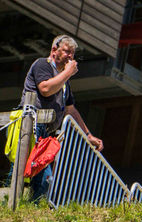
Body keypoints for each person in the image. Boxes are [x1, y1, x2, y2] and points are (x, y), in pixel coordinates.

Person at [19, 34, 104, 201]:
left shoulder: (64, 82)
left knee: (42, 176)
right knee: (30, 172)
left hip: (47, 134)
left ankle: (30, 207)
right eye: (66, 51)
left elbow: (70, 110)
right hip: (33, 126)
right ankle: (18, 206)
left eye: (72, 53)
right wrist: (68, 73)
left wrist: (88, 135)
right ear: (54, 51)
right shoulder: (42, 65)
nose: (70, 56)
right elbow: (45, 89)